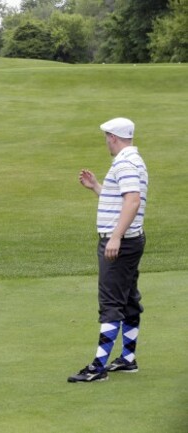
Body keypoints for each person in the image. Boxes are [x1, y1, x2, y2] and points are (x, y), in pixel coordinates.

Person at [68, 117, 148, 383]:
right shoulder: (135, 160)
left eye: (106, 137)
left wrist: (115, 237)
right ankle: (127, 358)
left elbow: (133, 201)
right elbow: (122, 200)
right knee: (127, 299)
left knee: (111, 302)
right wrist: (97, 188)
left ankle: (99, 366)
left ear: (113, 137)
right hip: (131, 240)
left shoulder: (124, 162)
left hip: (120, 243)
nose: (106, 142)